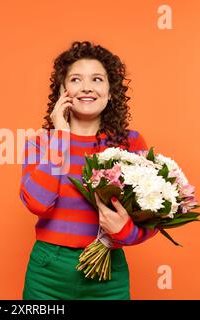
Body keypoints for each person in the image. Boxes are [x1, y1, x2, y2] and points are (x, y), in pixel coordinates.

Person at [19, 41, 159, 300]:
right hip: (47, 273)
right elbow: (38, 203)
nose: (87, 87)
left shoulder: (130, 144)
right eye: (75, 79)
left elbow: (154, 213)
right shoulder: (40, 142)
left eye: (97, 79)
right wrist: (61, 136)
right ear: (62, 90)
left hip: (108, 271)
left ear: (110, 90)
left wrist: (123, 231)